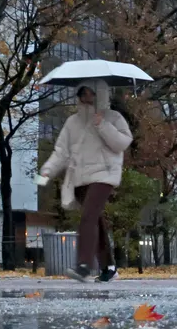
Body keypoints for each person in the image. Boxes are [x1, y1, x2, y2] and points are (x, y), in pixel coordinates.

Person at [36, 80, 133, 282]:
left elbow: (122, 143)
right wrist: (47, 170)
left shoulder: (113, 117)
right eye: (83, 94)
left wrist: (102, 125)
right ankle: (109, 267)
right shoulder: (72, 121)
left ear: (101, 95)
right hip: (79, 179)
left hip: (105, 175)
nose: (87, 98)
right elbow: (61, 151)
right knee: (96, 222)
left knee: (88, 217)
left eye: (91, 94)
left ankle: (84, 266)